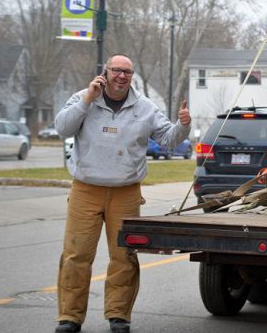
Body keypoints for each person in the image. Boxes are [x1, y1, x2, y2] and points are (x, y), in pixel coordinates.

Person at [53, 54, 191, 333]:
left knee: (124, 256)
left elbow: (168, 140)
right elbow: (62, 128)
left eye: (127, 72)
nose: (121, 76)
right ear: (105, 73)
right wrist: (86, 100)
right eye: (116, 70)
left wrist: (183, 124)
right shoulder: (84, 97)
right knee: (76, 255)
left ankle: (119, 315)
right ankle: (69, 317)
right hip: (86, 190)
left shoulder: (145, 108)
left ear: (132, 76)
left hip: (125, 192)